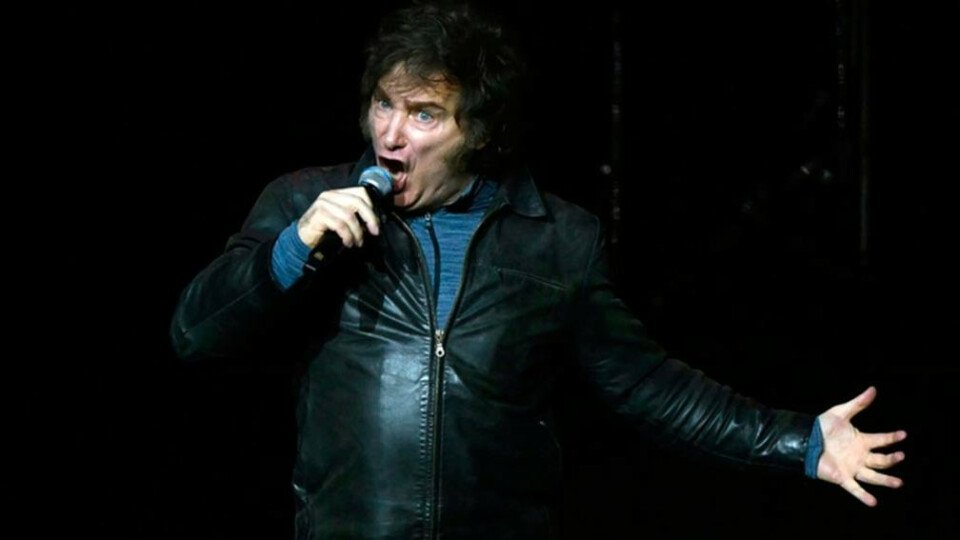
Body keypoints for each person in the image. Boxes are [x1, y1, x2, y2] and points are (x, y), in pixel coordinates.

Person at [170, 2, 906, 538]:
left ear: (480, 132)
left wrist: (800, 441)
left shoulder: (556, 241)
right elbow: (194, 336)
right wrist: (291, 250)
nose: (390, 134)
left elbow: (647, 385)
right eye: (383, 105)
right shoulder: (305, 203)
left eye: (424, 114)